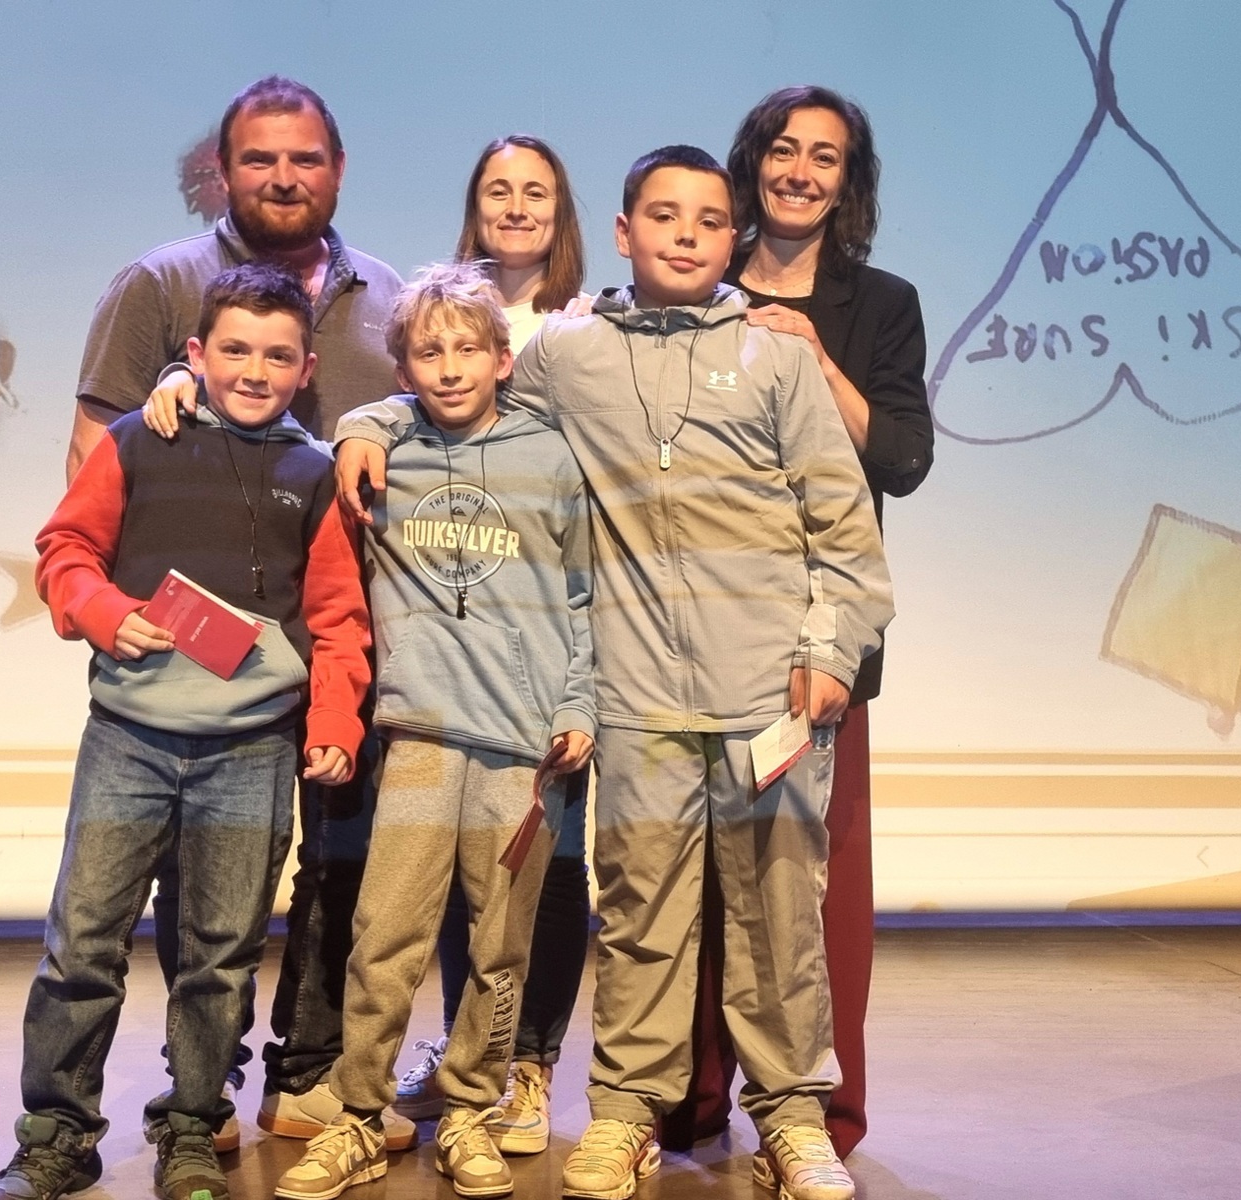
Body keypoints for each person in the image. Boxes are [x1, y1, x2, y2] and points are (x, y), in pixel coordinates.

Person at [334, 146, 894, 1200]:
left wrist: (828, 651)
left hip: (767, 694)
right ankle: (629, 1111)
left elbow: (843, 523)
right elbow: (463, 403)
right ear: (626, 232)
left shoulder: (773, 355)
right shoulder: (568, 351)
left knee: (778, 918)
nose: (687, 234)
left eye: (710, 220)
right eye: (664, 216)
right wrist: (366, 423)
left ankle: (789, 1118)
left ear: (732, 237)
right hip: (637, 700)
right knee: (640, 915)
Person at [75, 75, 414, 1153]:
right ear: (221, 171)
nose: (282, 176)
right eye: (259, 158)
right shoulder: (162, 282)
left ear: (338, 169)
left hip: (350, 631)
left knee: (338, 860)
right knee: (202, 880)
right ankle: (201, 1087)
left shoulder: (388, 294)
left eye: (304, 157)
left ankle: (304, 1075)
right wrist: (103, 606)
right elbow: (96, 452)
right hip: (197, 657)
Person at [0, 263, 371, 1200]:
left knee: (219, 955)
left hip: (252, 751)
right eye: (234, 349)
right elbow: (66, 549)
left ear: (307, 368)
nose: (254, 370)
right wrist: (104, 612)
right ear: (196, 353)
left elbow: (337, 617)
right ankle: (56, 1137)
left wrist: (333, 720)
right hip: (130, 739)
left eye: (276, 355)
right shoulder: (138, 439)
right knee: (83, 942)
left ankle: (193, 1127)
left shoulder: (314, 472)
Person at [274, 263, 594, 1200]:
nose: (450, 368)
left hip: (523, 749)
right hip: (419, 736)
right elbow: (346, 425)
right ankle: (360, 1118)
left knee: (499, 947)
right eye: (428, 352)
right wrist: (362, 425)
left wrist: (577, 705)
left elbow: (585, 596)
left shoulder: (552, 458)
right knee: (387, 933)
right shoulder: (385, 445)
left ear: (503, 358)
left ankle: (468, 1112)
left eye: (467, 349)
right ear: (403, 366)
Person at [663, 86, 934, 1164]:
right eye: (784, 149)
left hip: (819, 645)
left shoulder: (881, 303)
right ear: (753, 161)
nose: (800, 171)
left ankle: (818, 1113)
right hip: (691, 633)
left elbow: (901, 462)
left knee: (817, 892)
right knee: (689, 883)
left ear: (846, 181)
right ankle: (684, 1098)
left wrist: (813, 356)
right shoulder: (692, 278)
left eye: (826, 156)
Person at [395, 134, 592, 1156]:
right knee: (453, 873)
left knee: (546, 868)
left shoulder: (587, 324)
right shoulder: (445, 315)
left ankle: (529, 1062)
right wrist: (362, 426)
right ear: (473, 207)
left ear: (563, 212)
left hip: (549, 631)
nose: (516, 207)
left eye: (536, 193)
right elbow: (393, 404)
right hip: (455, 642)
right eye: (497, 191)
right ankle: (465, 1047)